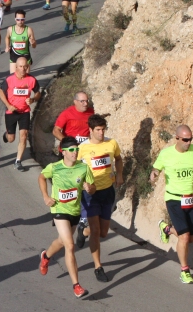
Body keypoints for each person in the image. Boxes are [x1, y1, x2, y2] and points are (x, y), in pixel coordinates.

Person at [150, 124, 193, 284]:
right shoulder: (166, 154)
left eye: (190, 139)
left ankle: (167, 228)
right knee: (184, 237)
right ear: (176, 138)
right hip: (174, 199)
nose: (188, 142)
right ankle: (184, 270)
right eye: (185, 140)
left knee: (191, 238)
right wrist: (154, 173)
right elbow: (156, 168)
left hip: (191, 198)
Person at [37, 137, 95, 299]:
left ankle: (46, 256)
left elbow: (92, 188)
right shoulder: (54, 167)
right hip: (59, 209)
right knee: (70, 245)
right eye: (71, 150)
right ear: (63, 151)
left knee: (62, 241)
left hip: (74, 211)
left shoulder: (83, 168)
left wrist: (89, 188)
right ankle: (76, 286)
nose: (75, 152)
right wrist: (46, 196)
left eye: (76, 150)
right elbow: (41, 177)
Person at [73, 114, 124, 282]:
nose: (101, 133)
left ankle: (83, 231)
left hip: (108, 191)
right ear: (90, 130)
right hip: (90, 194)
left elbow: (118, 159)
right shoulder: (82, 148)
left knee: (102, 233)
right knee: (96, 231)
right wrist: (83, 185)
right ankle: (98, 267)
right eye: (98, 130)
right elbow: (73, 170)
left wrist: (119, 175)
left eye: (103, 129)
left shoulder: (112, 143)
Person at [0, 56, 40, 171]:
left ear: (27, 67)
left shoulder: (32, 80)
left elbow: (38, 93)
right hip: (11, 111)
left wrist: (33, 99)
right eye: (20, 66)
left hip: (24, 112)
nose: (23, 69)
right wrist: (8, 105)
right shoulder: (9, 79)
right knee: (11, 138)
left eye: (25, 66)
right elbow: (0, 91)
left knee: (24, 135)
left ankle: (18, 161)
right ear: (16, 67)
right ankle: (6, 135)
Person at [7, 9, 36, 74]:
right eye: (18, 19)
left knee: (25, 77)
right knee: (13, 76)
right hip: (14, 55)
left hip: (25, 56)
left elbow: (34, 46)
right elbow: (7, 37)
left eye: (22, 19)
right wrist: (7, 46)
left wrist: (33, 43)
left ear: (24, 19)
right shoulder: (10, 29)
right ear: (15, 19)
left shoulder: (29, 30)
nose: (20, 21)